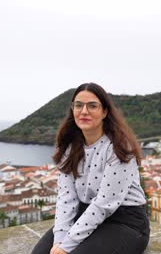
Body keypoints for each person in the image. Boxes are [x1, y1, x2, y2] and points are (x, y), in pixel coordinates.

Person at [31, 83, 150, 254]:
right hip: (84, 215)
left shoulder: (119, 147)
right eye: (78, 105)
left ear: (105, 112)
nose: (84, 111)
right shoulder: (70, 147)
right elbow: (67, 198)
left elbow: (104, 204)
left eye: (92, 106)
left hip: (125, 222)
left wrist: (67, 246)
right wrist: (60, 240)